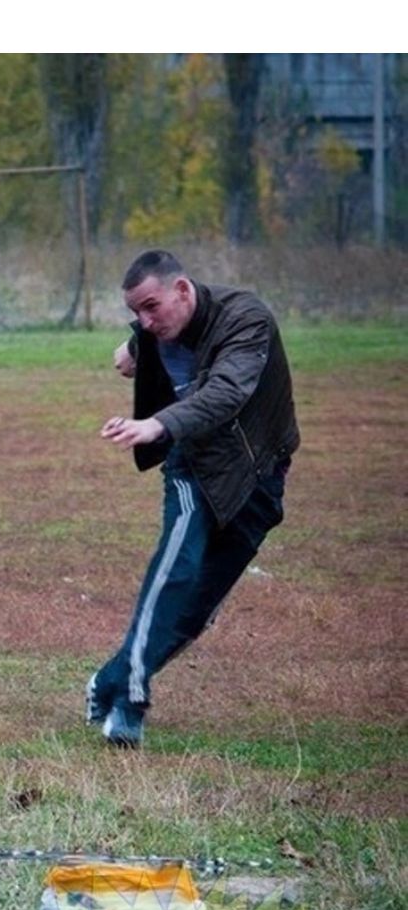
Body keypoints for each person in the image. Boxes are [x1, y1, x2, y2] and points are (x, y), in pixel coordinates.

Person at [87, 249, 299, 748]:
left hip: (258, 476)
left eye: (151, 306)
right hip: (192, 464)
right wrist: (134, 345)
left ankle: (110, 679)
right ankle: (130, 701)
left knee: (197, 607)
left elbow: (227, 390)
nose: (144, 319)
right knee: (176, 566)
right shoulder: (155, 328)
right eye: (135, 312)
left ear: (183, 290)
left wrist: (156, 422)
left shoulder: (248, 320)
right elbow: (144, 341)